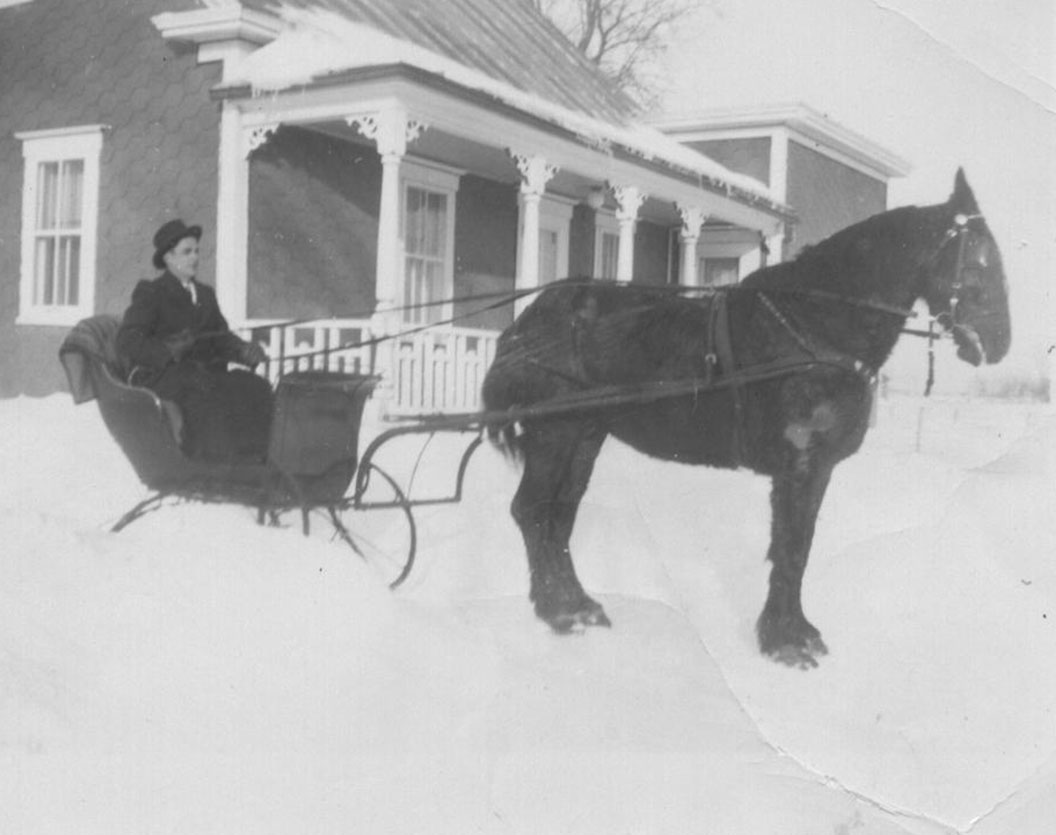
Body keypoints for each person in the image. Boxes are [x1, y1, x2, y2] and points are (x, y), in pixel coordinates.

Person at [117, 219, 273, 462]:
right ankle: (212, 466)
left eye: (197, 251)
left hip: (204, 375)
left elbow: (221, 337)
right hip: (166, 377)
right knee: (208, 394)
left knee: (254, 387)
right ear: (168, 258)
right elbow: (127, 342)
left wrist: (243, 350)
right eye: (186, 252)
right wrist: (168, 349)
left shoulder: (205, 295)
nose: (195, 258)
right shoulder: (152, 293)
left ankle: (254, 461)